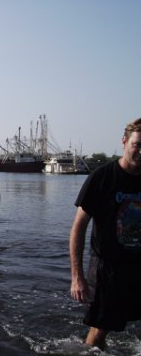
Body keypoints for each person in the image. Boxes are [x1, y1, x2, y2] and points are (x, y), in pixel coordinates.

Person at [70, 118, 141, 350]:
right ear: (124, 142)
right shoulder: (102, 178)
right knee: (100, 330)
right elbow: (79, 227)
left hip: (138, 266)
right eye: (137, 145)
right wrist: (77, 276)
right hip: (107, 269)